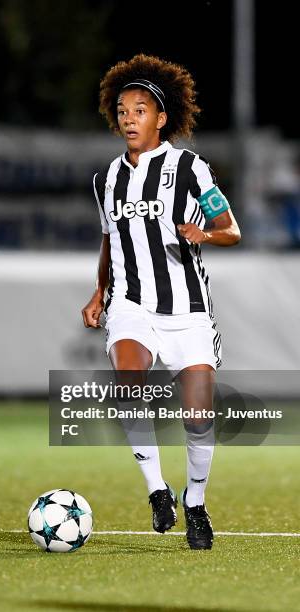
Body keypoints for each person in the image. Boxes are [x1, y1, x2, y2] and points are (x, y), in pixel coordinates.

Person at [81, 54, 241, 550]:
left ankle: (195, 502)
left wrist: (204, 235)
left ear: (162, 117)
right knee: (128, 381)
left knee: (198, 416)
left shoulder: (190, 168)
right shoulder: (106, 179)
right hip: (131, 305)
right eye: (123, 110)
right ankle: (158, 492)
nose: (130, 118)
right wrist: (100, 291)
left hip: (188, 311)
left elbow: (231, 230)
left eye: (140, 109)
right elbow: (111, 239)